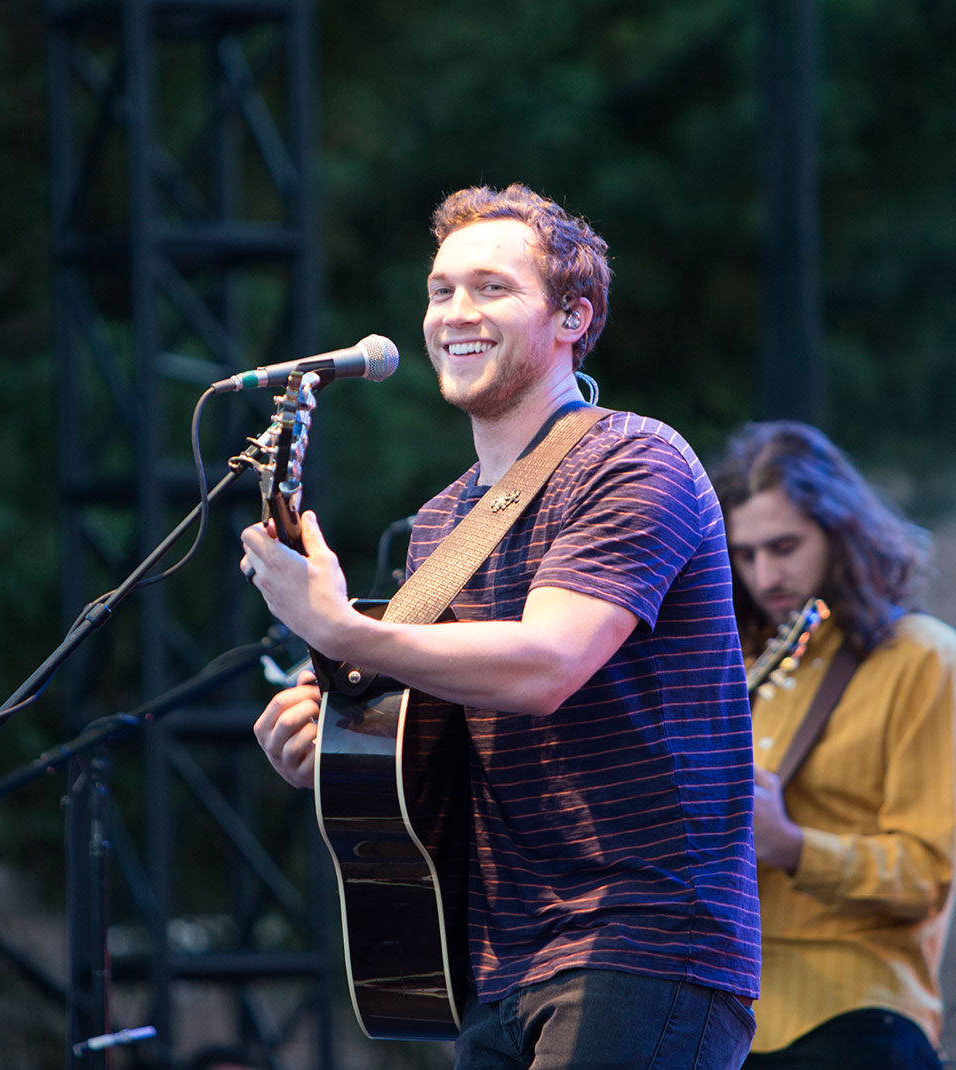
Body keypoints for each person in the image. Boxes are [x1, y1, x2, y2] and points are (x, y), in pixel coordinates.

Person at [239, 183, 760, 1070]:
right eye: (441, 291)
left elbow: (546, 666)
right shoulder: (440, 524)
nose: (454, 314)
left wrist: (345, 633)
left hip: (642, 940)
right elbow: (417, 714)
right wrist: (323, 725)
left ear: (573, 317)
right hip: (497, 957)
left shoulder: (632, 458)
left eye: (491, 289)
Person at [711, 421, 956, 1070]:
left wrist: (793, 845)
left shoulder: (925, 658)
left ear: (842, 534)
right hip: (727, 1019)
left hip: (856, 1016)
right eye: (745, 554)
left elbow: (926, 875)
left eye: (785, 546)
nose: (765, 575)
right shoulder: (746, 663)